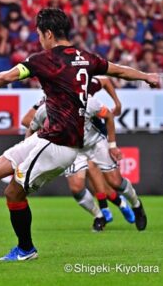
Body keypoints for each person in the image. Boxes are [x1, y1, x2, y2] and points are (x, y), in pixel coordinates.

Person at [0, 8, 158, 261]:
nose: (39, 39)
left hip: (59, 143)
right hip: (50, 136)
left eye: (38, 34)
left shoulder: (45, 60)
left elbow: (7, 77)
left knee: (13, 193)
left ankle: (26, 249)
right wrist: (147, 76)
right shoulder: (86, 57)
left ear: (47, 33)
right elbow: (119, 70)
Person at [26, 83, 142, 232]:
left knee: (111, 179)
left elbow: (105, 81)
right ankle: (102, 213)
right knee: (77, 187)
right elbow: (27, 122)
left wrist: (117, 104)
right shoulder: (45, 104)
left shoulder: (86, 87)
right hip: (71, 145)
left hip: (94, 141)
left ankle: (123, 205)